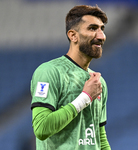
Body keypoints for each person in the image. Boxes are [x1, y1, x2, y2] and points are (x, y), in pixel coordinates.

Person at [30, 5, 111, 150]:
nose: (101, 36)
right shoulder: (49, 72)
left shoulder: (99, 83)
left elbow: (100, 139)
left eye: (102, 29)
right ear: (73, 35)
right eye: (92, 28)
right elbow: (41, 129)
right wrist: (85, 98)